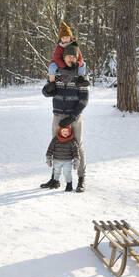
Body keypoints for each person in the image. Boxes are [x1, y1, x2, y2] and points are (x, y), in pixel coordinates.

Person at [41, 42, 89, 192]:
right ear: (63, 57)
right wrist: (47, 90)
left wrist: (74, 116)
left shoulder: (80, 76)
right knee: (56, 145)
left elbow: (84, 98)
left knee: (78, 147)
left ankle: (81, 179)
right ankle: (54, 179)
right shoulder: (56, 74)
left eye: (74, 57)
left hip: (75, 117)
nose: (71, 59)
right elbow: (46, 92)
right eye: (68, 56)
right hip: (58, 115)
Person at [48, 22, 89, 87]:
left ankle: (81, 79)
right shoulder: (59, 47)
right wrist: (64, 66)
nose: (65, 39)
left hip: (73, 63)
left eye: (67, 37)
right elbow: (56, 58)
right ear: (60, 39)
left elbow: (80, 58)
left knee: (83, 64)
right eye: (63, 38)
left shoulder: (75, 46)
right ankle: (51, 82)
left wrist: (77, 64)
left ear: (70, 37)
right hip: (61, 64)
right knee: (52, 66)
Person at [45, 126, 80, 192]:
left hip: (67, 161)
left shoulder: (72, 141)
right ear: (60, 131)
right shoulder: (56, 139)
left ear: (69, 132)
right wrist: (48, 156)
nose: (65, 133)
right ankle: (55, 182)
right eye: (63, 131)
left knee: (67, 173)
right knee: (56, 172)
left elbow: (76, 151)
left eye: (67, 131)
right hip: (57, 160)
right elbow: (50, 148)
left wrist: (76, 159)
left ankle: (69, 185)